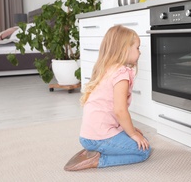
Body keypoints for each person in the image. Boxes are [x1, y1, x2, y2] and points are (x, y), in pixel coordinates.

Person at [64, 25, 151, 171]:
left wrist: (131, 130)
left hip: (88, 135)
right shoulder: (121, 74)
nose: (140, 52)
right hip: (98, 136)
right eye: (137, 48)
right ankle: (97, 159)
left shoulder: (108, 69)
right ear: (124, 50)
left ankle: (93, 150)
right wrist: (132, 133)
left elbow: (111, 111)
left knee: (142, 139)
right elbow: (120, 111)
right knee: (144, 150)